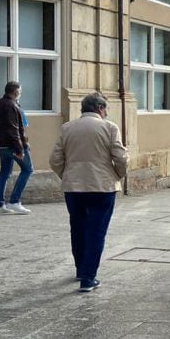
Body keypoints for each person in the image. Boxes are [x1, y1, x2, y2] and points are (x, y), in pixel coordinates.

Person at [49, 93, 128, 292]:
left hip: (73, 187)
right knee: (96, 231)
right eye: (106, 109)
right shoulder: (109, 127)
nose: (107, 112)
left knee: (77, 228)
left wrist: (67, 175)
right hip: (102, 187)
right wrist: (118, 175)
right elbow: (121, 157)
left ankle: (80, 269)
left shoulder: (67, 128)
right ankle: (89, 277)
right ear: (100, 108)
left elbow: (55, 159)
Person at [0, 80, 33, 214]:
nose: (21, 94)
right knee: (28, 169)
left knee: (4, 173)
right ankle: (14, 202)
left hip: (0, 145)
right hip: (13, 145)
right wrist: (20, 149)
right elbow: (14, 130)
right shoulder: (12, 106)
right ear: (16, 92)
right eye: (20, 92)